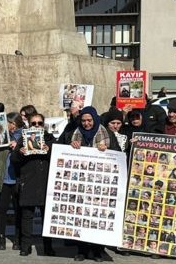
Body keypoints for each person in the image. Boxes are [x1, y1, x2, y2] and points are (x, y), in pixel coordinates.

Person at [59, 106, 120, 262]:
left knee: (97, 216)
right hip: (80, 184)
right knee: (80, 215)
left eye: (89, 120)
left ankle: (98, 250)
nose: (86, 124)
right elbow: (59, 148)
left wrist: (107, 149)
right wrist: (70, 145)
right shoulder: (72, 133)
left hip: (100, 185)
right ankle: (81, 250)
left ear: (95, 119)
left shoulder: (107, 133)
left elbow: (119, 154)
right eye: (84, 120)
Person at [10, 111, 55, 257]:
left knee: (46, 217)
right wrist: (20, 153)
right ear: (29, 125)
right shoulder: (23, 140)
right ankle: (25, 246)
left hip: (45, 182)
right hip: (28, 182)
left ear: (44, 125)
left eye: (39, 123)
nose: (36, 126)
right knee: (26, 217)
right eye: (33, 123)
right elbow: (14, 160)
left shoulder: (51, 139)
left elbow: (60, 158)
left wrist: (49, 150)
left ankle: (48, 247)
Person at [0, 112, 24, 250]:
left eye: (8, 123)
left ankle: (18, 238)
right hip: (4, 178)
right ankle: (1, 237)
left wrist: (17, 146)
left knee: (19, 210)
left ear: (14, 123)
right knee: (1, 209)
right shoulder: (2, 135)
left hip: (18, 178)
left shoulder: (25, 135)